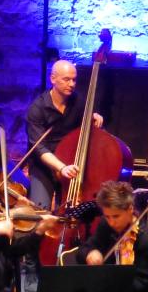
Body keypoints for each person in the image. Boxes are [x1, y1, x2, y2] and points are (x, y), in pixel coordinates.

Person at [24, 60, 104, 209]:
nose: (72, 84)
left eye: (74, 79)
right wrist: (61, 168)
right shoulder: (38, 109)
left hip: (71, 163)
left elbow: (86, 126)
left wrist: (92, 116)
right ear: (53, 78)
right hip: (44, 166)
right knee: (40, 210)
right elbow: (39, 148)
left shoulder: (79, 102)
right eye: (66, 79)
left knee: (72, 209)